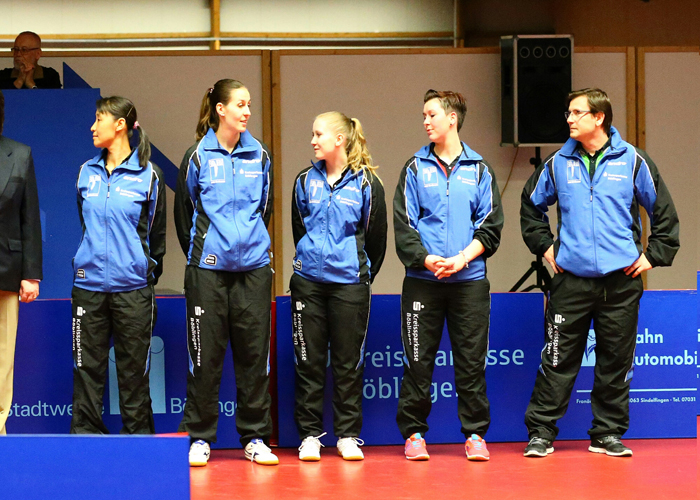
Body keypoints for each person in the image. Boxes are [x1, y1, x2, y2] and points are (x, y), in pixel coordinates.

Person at [520, 88, 679, 458]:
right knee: (556, 359)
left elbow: (664, 213)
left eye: (577, 113)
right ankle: (541, 433)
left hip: (620, 282)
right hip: (570, 282)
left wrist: (654, 255)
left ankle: (606, 433)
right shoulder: (559, 161)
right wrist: (546, 247)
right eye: (569, 113)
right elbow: (531, 206)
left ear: (599, 118)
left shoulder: (633, 161)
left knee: (615, 362)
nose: (569, 119)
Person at [393, 89, 503, 461]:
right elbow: (404, 226)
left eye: (431, 115)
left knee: (471, 361)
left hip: (469, 283)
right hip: (422, 282)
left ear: (452, 118)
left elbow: (490, 227)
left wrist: (460, 259)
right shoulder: (413, 168)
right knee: (417, 362)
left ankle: (474, 435)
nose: (425, 121)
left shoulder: (480, 169)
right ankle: (413, 436)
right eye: (423, 115)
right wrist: (426, 259)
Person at [174, 79, 276, 467]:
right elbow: (186, 216)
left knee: (254, 357)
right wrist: (208, 252)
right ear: (220, 109)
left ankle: (254, 437)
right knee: (205, 356)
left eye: (249, 104)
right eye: (240, 105)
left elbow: (263, 210)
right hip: (207, 273)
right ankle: (200, 438)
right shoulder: (197, 156)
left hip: (253, 270)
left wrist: (246, 246)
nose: (247, 111)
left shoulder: (260, 156)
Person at [290, 112, 387, 462]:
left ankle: (347, 435)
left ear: (339, 140)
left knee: (348, 364)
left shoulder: (367, 184)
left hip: (350, 287)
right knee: (309, 363)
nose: (313, 141)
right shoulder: (304, 181)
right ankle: (311, 436)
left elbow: (376, 241)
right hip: (308, 286)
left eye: (318, 134)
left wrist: (356, 273)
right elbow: (299, 230)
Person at [70, 96, 165, 435]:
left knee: (134, 375)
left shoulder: (149, 175)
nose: (93, 127)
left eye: (99, 119)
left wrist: (139, 270)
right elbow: (85, 224)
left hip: (133, 291)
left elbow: (157, 237)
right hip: (88, 288)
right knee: (86, 372)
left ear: (120, 125)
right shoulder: (86, 173)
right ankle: (85, 442)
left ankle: (138, 445)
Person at [0, 89, 42, 434]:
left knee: (3, 356)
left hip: (7, 271)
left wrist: (31, 275)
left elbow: (30, 219)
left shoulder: (20, 155)